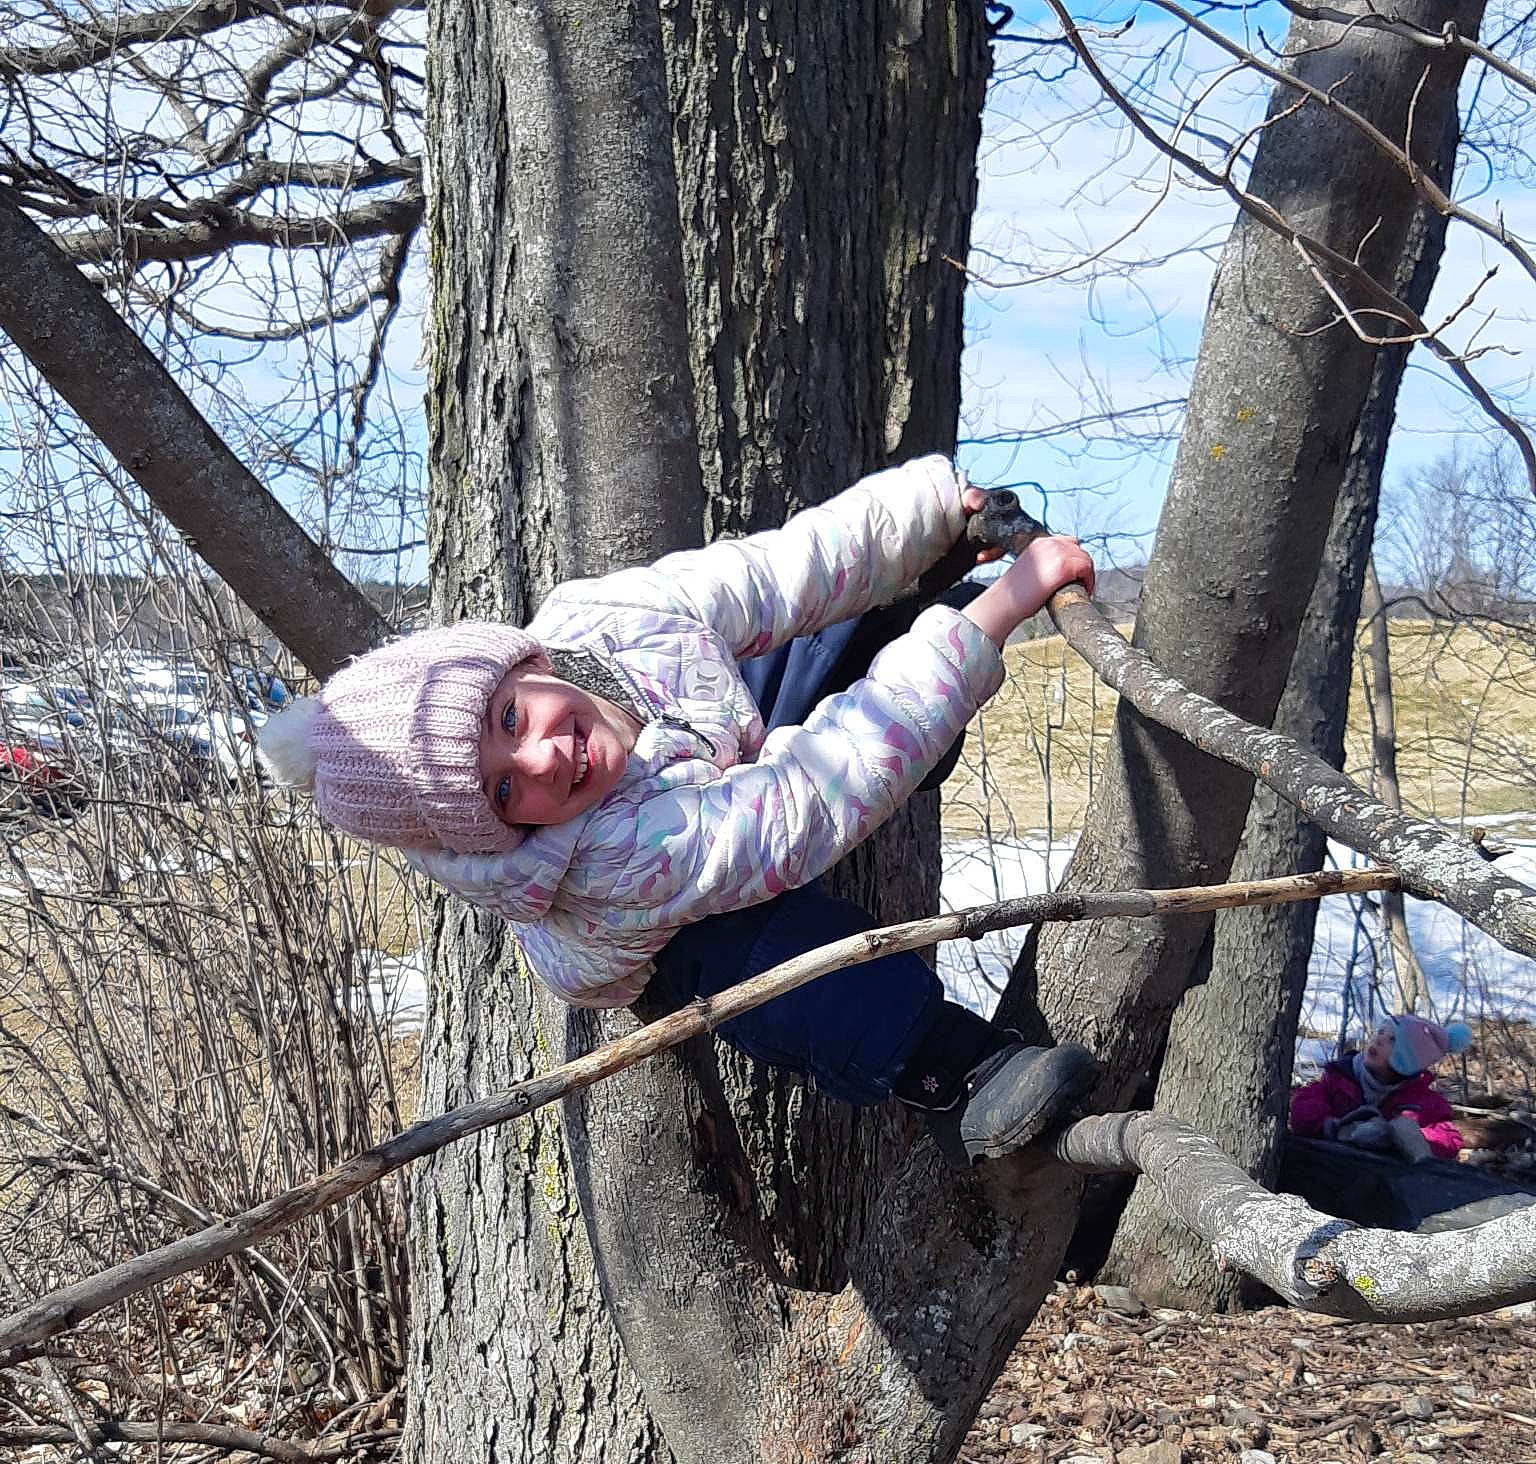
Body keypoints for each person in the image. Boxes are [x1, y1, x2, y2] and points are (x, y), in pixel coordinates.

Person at [258, 455, 1098, 1166]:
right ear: (502, 832)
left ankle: (926, 599)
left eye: (509, 719)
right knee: (763, 962)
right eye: (505, 792)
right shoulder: (608, 858)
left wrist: (934, 516)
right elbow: (808, 800)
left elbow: (778, 570)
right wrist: (999, 611)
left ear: (525, 660)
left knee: (807, 634)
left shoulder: (601, 620)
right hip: (670, 915)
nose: (544, 756)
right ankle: (954, 1070)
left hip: (706, 749)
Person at [1289, 1014, 1470, 1163]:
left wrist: (1412, 1139)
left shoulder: (1423, 1101)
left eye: (1392, 1040)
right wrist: (1331, 1125)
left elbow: (1450, 1139)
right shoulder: (1339, 1077)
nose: (1379, 1039)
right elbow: (1302, 1105)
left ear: (1407, 1061)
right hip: (1331, 1171)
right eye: (1380, 1032)